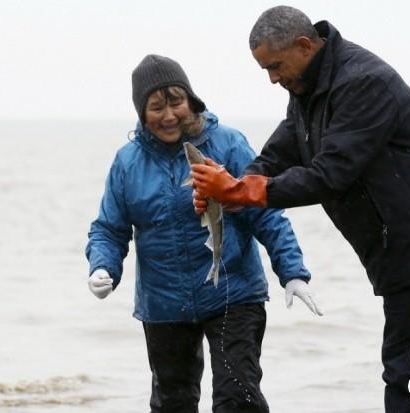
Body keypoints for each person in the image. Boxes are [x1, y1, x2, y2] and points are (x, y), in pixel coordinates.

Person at [190, 6, 410, 413]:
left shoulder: (365, 82)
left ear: (304, 46)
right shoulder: (307, 89)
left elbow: (331, 174)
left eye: (275, 66)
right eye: (265, 71)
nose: (273, 79)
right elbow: (280, 153)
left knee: (407, 370)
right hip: (391, 241)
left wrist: (242, 191)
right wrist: (230, 191)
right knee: (409, 364)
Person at [85, 54, 322, 413]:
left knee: (237, 397)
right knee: (172, 403)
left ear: (192, 101)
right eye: (156, 107)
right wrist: (103, 267)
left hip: (233, 292)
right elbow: (109, 229)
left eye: (176, 102)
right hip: (164, 304)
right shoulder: (127, 162)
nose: (169, 116)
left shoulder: (227, 144)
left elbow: (266, 213)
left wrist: (292, 271)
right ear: (141, 113)